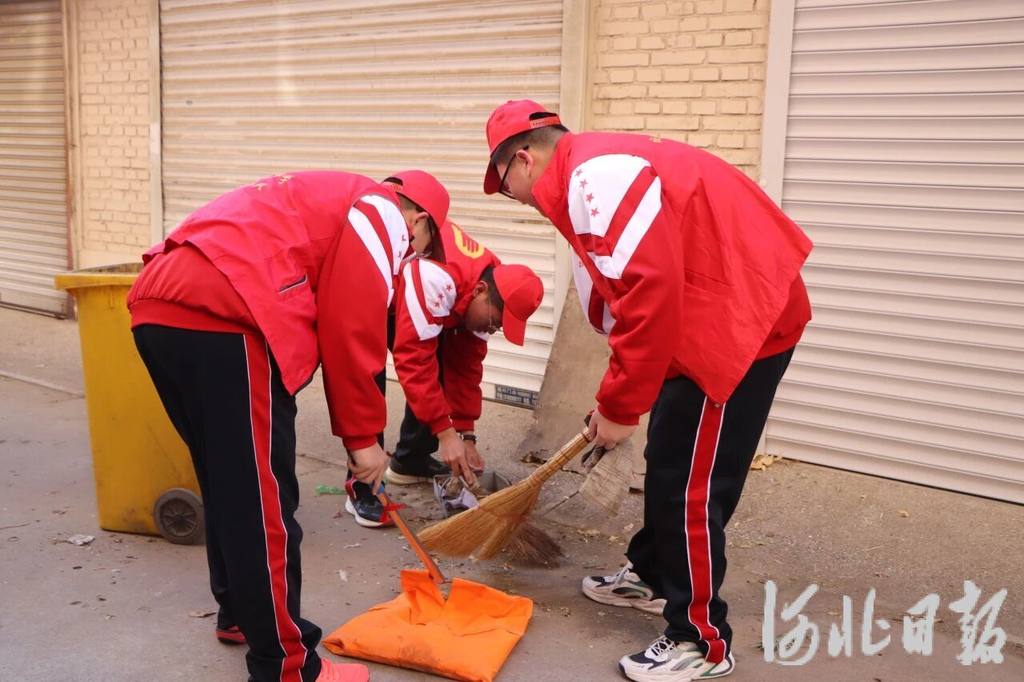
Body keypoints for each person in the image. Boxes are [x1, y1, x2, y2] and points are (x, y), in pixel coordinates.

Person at [482, 100, 812, 681]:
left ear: (524, 160)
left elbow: (649, 296)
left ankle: (700, 641)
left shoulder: (596, 177)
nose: (515, 198)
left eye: (506, 185)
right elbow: (627, 301)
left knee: (691, 489)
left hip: (738, 328)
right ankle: (653, 575)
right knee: (668, 462)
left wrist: (621, 406)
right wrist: (614, 398)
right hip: (705, 317)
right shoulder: (590, 176)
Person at [126, 169, 444, 682]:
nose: (411, 258)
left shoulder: (322, 198)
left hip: (158, 306)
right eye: (422, 247)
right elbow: (353, 323)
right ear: (419, 221)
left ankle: (239, 614)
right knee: (264, 501)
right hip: (228, 312)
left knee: (230, 482)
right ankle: (287, 666)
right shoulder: (383, 211)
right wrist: (363, 439)